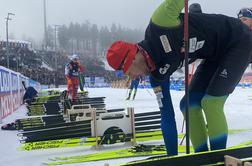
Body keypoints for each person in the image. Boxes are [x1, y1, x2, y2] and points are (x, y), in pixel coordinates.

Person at [106, 0, 252, 156]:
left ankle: (218, 157)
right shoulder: (157, 75)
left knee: (211, 103)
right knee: (187, 105)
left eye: (128, 71)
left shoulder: (160, 23)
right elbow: (167, 117)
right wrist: (172, 158)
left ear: (133, 58)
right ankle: (201, 157)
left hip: (238, 40)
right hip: (213, 55)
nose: (131, 77)